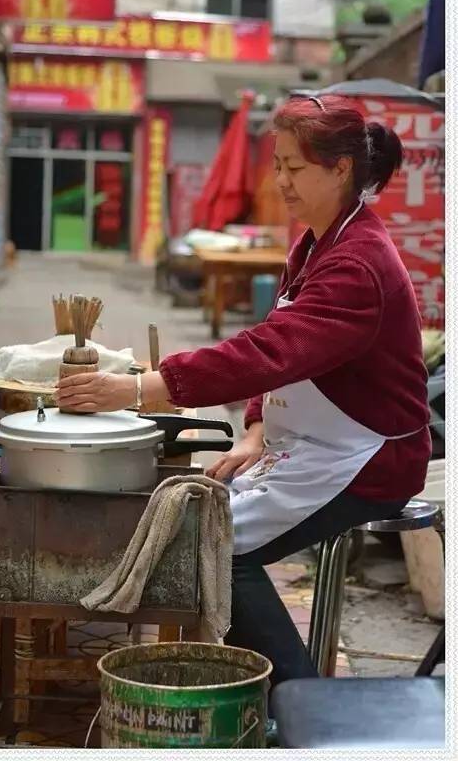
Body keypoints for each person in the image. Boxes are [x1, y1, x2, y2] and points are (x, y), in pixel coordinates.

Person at [56, 95, 431, 687]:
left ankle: (302, 703)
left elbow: (270, 353)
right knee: (201, 526)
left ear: (341, 169)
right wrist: (256, 426)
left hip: (368, 459)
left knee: (215, 548)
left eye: (295, 167)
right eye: (277, 164)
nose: (280, 181)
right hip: (311, 446)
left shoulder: (357, 264)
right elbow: (283, 343)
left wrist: (138, 389)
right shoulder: (316, 241)